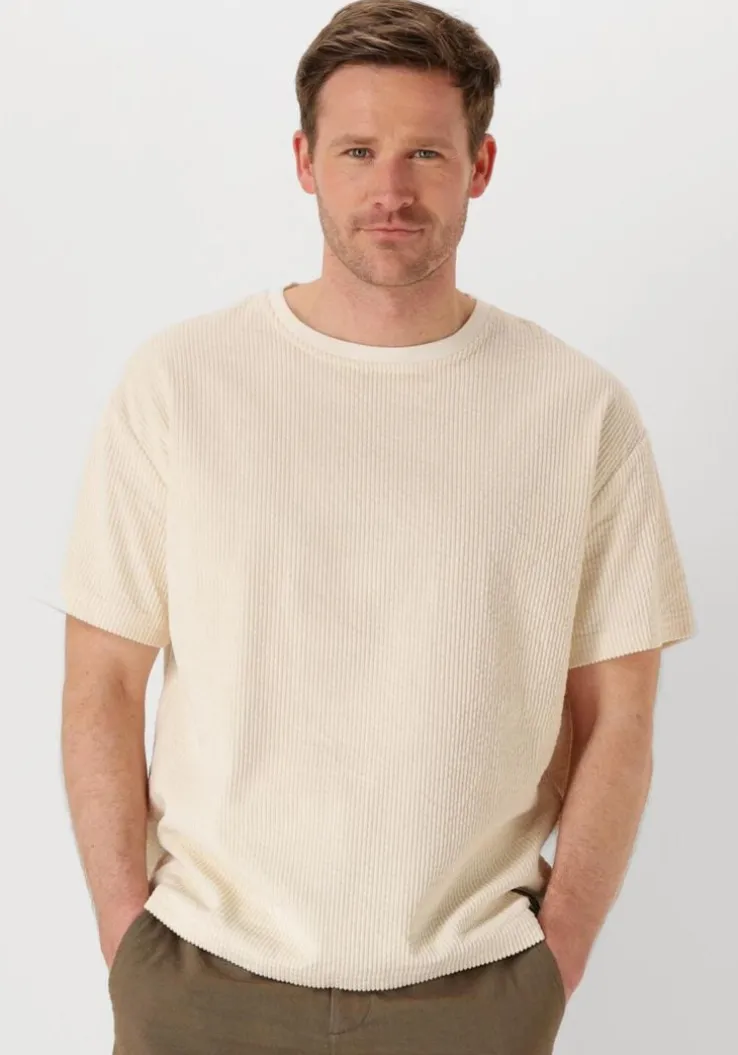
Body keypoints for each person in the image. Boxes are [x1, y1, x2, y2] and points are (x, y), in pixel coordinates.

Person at [59, 2, 696, 1052]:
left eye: (425, 154)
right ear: (304, 161)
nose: (390, 189)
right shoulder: (180, 383)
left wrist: (558, 957)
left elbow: (618, 714)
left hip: (474, 991)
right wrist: (126, 934)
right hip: (200, 979)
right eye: (358, 150)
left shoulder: (578, 410)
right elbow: (104, 679)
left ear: (480, 165)